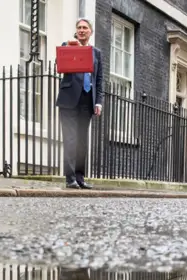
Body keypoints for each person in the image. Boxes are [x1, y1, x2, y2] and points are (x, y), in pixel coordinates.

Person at [56, 18, 104, 189]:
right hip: (69, 100)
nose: (82, 30)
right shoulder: (67, 46)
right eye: (79, 27)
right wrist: (70, 48)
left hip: (87, 100)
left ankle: (80, 178)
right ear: (76, 31)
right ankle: (70, 179)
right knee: (70, 139)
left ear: (90, 31)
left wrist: (98, 102)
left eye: (85, 27)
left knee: (82, 141)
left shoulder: (96, 53)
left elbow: (99, 79)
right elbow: (59, 66)